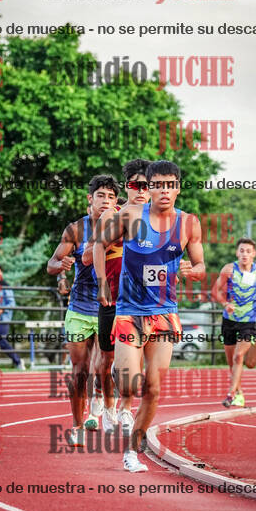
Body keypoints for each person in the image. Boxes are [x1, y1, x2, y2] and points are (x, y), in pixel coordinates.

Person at [94, 160, 205, 472]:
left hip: (164, 313)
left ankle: (132, 452)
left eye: (171, 185)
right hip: (129, 311)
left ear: (178, 188)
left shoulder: (189, 223)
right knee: (129, 385)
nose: (164, 191)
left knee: (153, 388)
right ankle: (118, 377)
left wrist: (192, 271)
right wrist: (102, 282)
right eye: (158, 185)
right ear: (150, 188)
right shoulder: (129, 216)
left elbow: (200, 266)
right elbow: (100, 245)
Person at [47, 175, 119, 445]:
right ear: (90, 198)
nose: (106, 201)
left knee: (105, 367)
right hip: (79, 307)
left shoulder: (123, 226)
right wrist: (61, 267)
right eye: (101, 196)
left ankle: (105, 405)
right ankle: (77, 427)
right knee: (80, 371)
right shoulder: (76, 229)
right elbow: (52, 263)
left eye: (111, 197)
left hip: (108, 306)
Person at [82, 159, 151, 435]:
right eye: (136, 185)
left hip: (142, 301)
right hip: (112, 298)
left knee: (136, 355)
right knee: (106, 359)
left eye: (147, 185)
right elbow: (88, 256)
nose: (142, 190)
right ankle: (107, 405)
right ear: (128, 186)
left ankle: (126, 409)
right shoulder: (113, 216)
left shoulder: (158, 219)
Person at [212, 239, 256, 408]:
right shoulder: (228, 269)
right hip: (229, 320)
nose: (245, 254)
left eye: (248, 251)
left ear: (254, 254)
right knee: (231, 361)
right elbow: (215, 291)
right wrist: (225, 304)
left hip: (249, 320)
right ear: (237, 252)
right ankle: (239, 393)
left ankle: (230, 394)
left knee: (238, 356)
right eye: (242, 250)